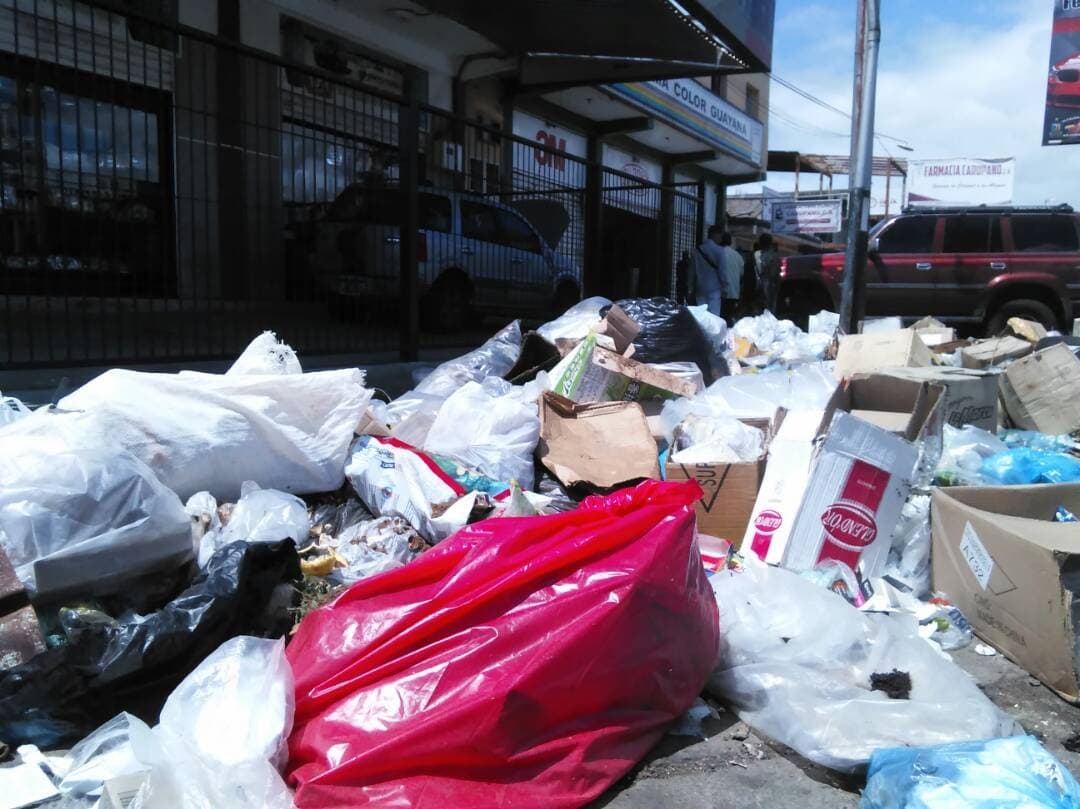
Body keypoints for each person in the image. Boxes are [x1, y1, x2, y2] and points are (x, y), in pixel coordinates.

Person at [690, 225, 726, 317]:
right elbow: (722, 272)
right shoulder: (719, 251)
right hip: (714, 289)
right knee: (714, 316)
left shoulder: (696, 251)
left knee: (701, 315)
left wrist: (690, 286)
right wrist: (725, 286)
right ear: (715, 235)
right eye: (720, 236)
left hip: (700, 288)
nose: (721, 239)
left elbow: (691, 271)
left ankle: (702, 331)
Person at [754, 232, 782, 314]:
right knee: (770, 308)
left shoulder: (756, 254)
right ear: (770, 243)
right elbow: (775, 273)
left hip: (757, 284)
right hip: (770, 284)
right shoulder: (774, 256)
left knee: (759, 308)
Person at [720, 232, 743, 322]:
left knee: (719, 317)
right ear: (730, 242)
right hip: (733, 292)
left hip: (720, 292)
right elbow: (742, 273)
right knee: (729, 316)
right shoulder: (737, 255)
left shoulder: (717, 253)